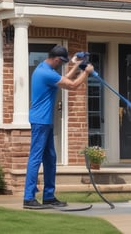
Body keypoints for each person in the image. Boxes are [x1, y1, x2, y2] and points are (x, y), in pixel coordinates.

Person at [23, 45, 94, 209]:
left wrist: (77, 65)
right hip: (40, 121)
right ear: (56, 59)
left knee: (50, 158)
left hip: (45, 121)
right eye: (61, 62)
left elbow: (65, 79)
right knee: (35, 158)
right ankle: (28, 198)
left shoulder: (44, 68)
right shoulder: (46, 73)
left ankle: (48, 196)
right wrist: (86, 72)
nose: (62, 65)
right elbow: (73, 85)